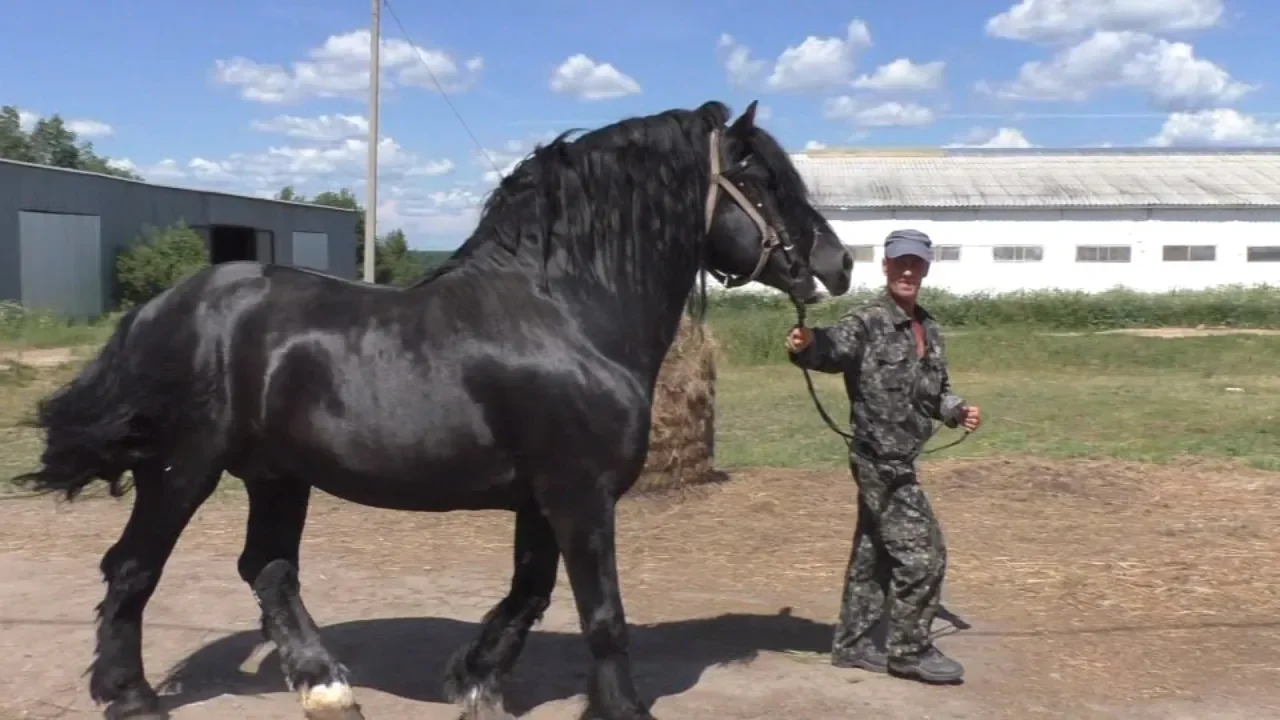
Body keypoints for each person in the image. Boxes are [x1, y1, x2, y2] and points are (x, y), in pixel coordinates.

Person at [785, 228, 981, 685]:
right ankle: (909, 650)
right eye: (900, 262)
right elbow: (831, 349)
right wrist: (807, 344)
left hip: (904, 456)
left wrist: (956, 411)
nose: (908, 270)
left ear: (926, 268)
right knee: (923, 555)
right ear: (887, 267)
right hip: (879, 461)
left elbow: (933, 390)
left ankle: (852, 645)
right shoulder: (867, 321)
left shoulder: (928, 328)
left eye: (916, 263)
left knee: (872, 555)